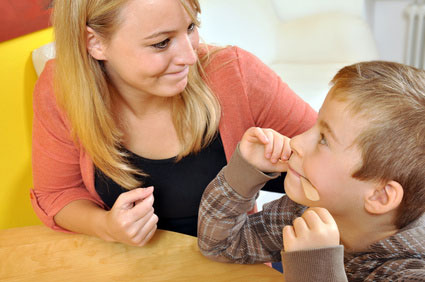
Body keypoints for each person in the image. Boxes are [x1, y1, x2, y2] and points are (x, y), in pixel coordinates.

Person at [30, 0, 316, 246]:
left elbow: (338, 159)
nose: (190, 57)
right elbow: (58, 194)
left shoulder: (236, 75)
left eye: (191, 27)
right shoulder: (60, 90)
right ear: (95, 43)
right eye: (161, 43)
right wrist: (107, 226)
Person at [198, 61, 425, 281]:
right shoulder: (307, 211)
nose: (295, 141)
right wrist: (244, 173)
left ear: (380, 195)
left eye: (324, 140)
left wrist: (315, 268)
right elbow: (221, 246)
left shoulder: (413, 271)